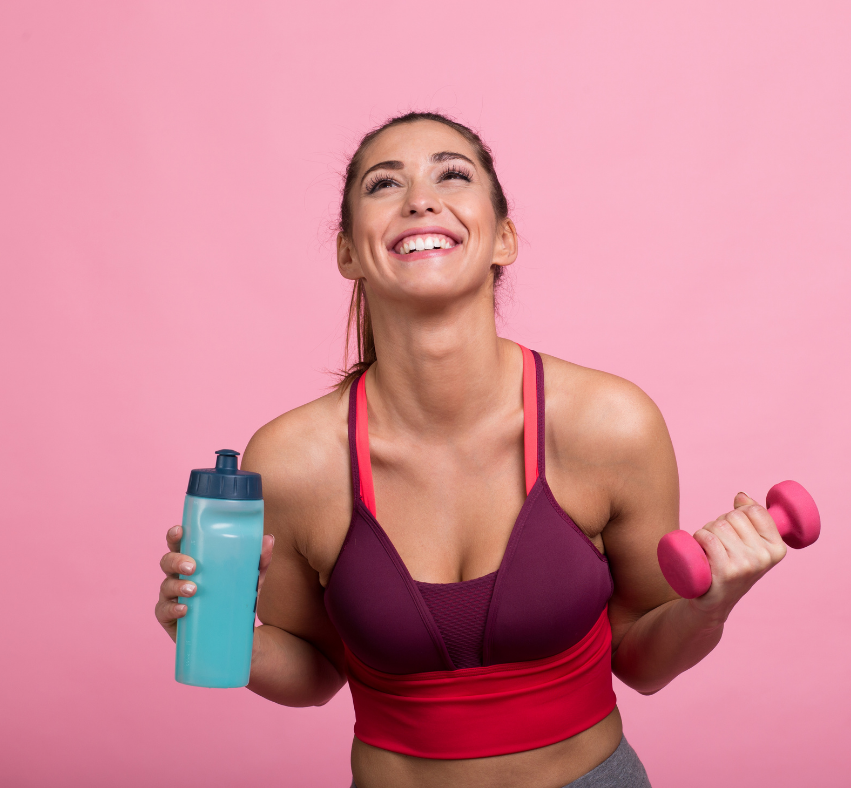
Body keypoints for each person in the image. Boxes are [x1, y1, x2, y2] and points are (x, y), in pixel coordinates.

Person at [155, 112, 788, 788]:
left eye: (451, 175)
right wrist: (217, 632)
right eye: (384, 184)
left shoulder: (610, 425)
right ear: (348, 254)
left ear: (503, 239)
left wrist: (708, 606)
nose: (420, 199)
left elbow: (641, 659)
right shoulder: (291, 461)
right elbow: (315, 672)